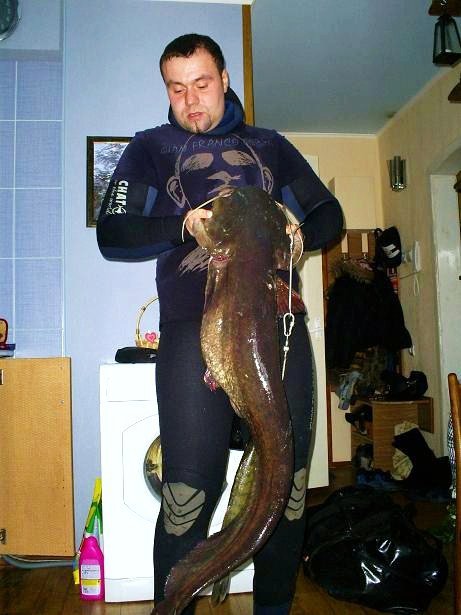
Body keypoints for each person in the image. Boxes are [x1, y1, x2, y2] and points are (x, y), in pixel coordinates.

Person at [97, 33, 343, 615]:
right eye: (176, 88)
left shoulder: (270, 145)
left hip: (280, 331)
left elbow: (329, 213)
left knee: (286, 487)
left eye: (202, 84)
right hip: (192, 331)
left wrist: (299, 231)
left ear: (225, 79)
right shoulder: (150, 148)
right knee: (187, 492)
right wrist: (183, 225)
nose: (191, 100)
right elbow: (113, 232)